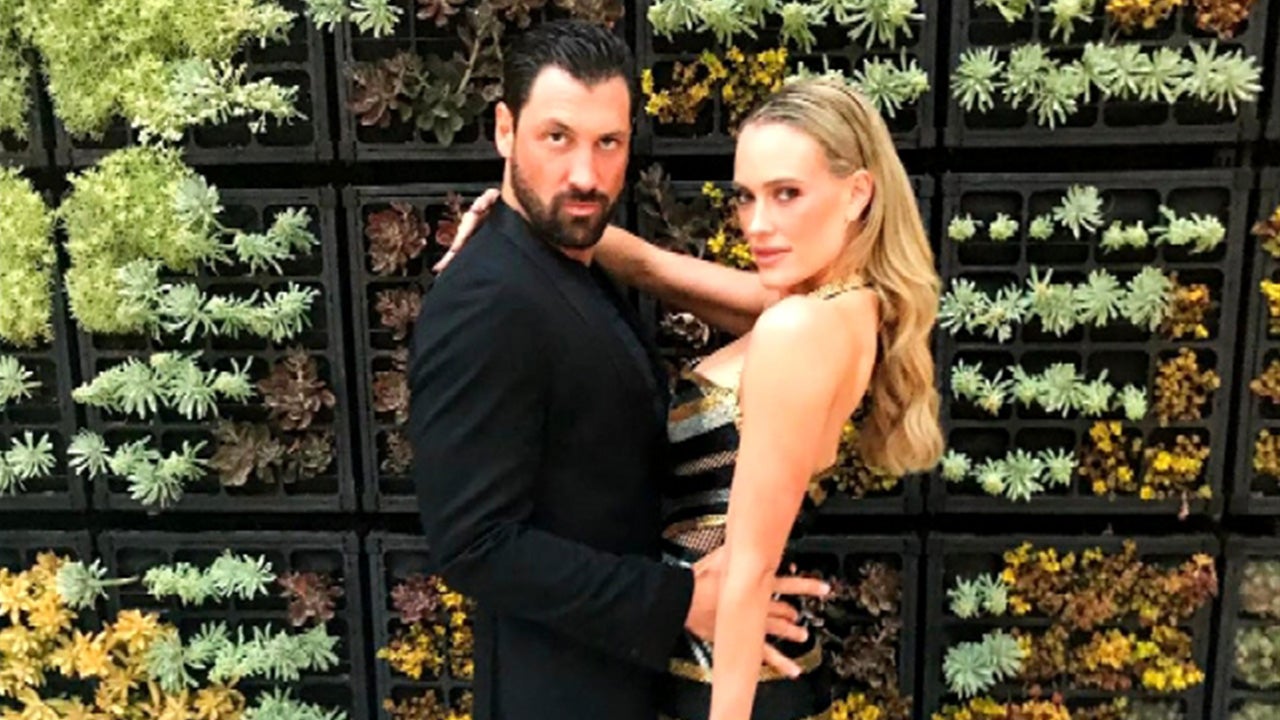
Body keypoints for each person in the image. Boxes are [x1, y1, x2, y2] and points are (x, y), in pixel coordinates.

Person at [438, 76, 945, 719]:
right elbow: (655, 269)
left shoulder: (796, 328)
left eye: (787, 194)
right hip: (718, 666)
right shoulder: (845, 308)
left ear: (857, 193)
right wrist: (525, 217)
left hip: (725, 681)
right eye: (746, 197)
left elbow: (749, 570)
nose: (758, 225)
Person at [409, 20, 830, 720]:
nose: (585, 174)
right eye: (557, 137)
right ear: (505, 130)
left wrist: (622, 252)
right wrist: (683, 601)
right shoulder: (485, 301)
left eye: (608, 142)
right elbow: (476, 545)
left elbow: (795, 318)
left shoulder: (564, 263)